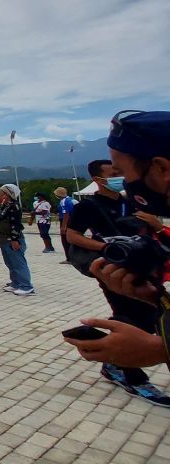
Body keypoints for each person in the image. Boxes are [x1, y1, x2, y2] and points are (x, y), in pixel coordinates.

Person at [64, 110, 170, 393]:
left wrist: (161, 350)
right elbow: (72, 234)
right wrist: (155, 297)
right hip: (122, 268)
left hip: (143, 266)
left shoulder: (133, 204)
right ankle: (127, 372)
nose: (123, 182)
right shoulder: (89, 206)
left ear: (161, 168)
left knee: (142, 319)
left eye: (121, 171)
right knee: (132, 313)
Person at [0, 184, 34, 297]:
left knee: (18, 263)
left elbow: (16, 224)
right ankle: (15, 282)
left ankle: (26, 286)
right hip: (4, 240)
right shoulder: (4, 206)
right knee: (10, 263)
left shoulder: (14, 207)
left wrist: (15, 239)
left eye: (0, 193)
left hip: (12, 240)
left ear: (7, 195)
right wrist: (0, 238)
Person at [56, 186, 76, 263]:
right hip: (73, 220)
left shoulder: (64, 201)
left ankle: (69, 258)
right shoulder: (71, 199)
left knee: (65, 240)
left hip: (66, 221)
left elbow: (66, 214)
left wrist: (64, 226)